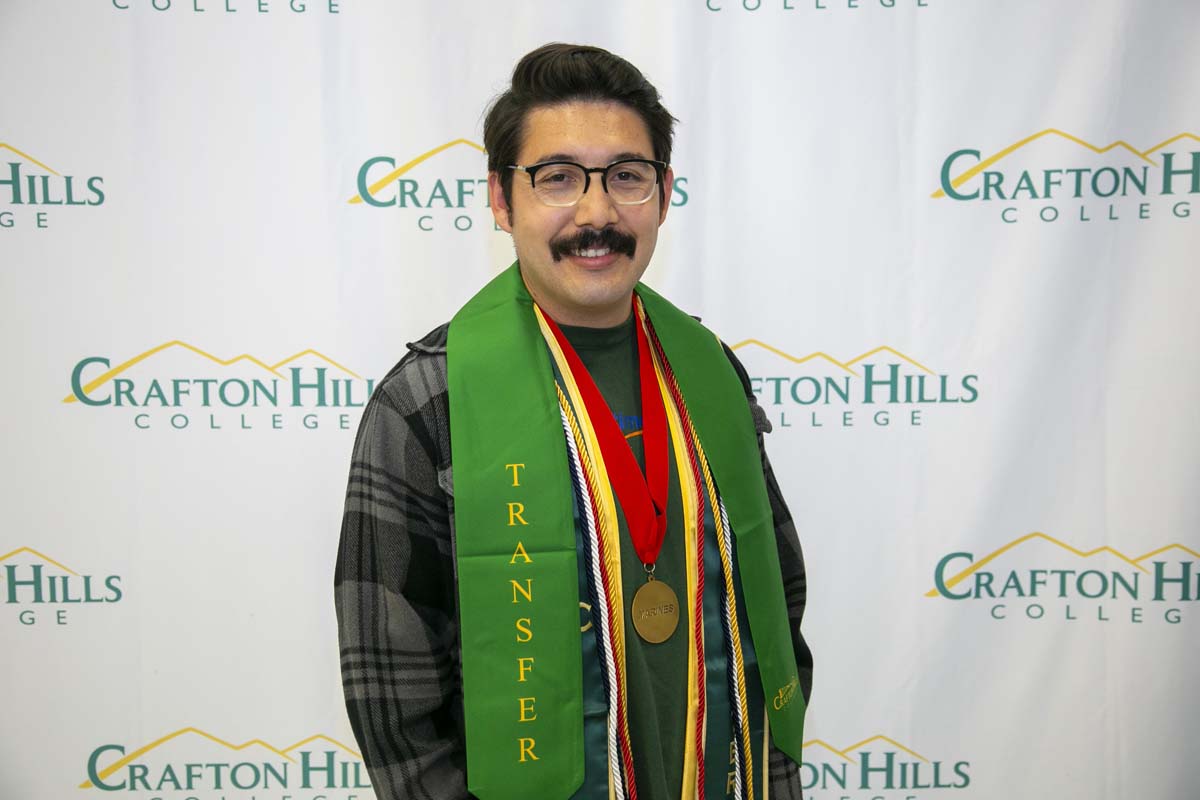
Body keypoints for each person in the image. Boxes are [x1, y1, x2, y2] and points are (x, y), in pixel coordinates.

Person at [335, 42, 813, 800]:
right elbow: (392, 689)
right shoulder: (429, 399)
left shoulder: (709, 369)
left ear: (662, 193)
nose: (598, 213)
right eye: (557, 178)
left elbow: (774, 601)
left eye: (628, 177)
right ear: (501, 199)